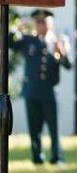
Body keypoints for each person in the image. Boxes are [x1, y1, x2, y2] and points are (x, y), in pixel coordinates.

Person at [9, 10, 70, 165]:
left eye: (44, 22)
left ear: (50, 24)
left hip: (49, 91)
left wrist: (61, 53)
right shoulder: (29, 40)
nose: (41, 25)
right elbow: (9, 42)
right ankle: (37, 157)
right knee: (34, 127)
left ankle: (57, 157)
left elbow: (68, 65)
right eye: (38, 22)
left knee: (53, 127)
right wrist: (18, 26)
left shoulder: (57, 41)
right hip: (32, 90)